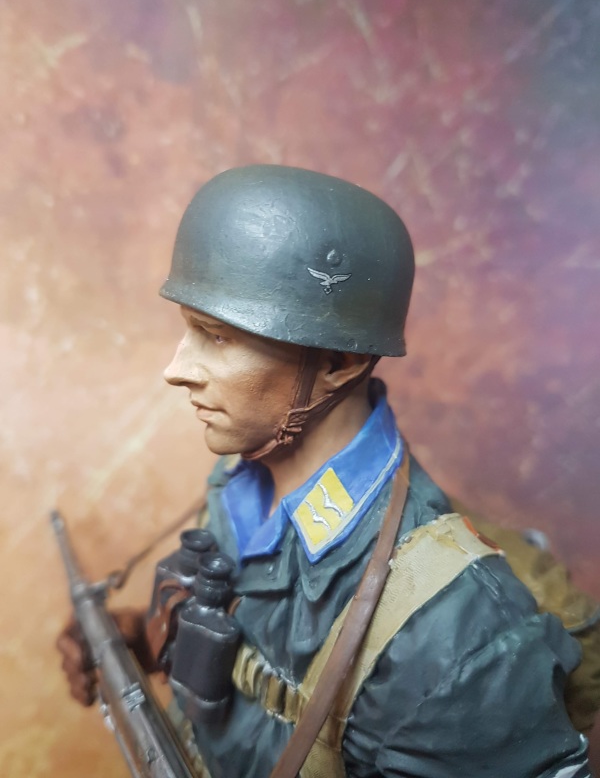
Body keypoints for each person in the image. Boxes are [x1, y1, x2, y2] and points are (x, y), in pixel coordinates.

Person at [57, 165, 592, 778]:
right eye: (189, 330)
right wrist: (147, 638)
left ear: (337, 362)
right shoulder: (240, 484)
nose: (176, 370)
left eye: (217, 337)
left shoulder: (454, 637)